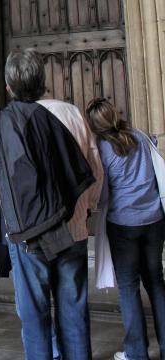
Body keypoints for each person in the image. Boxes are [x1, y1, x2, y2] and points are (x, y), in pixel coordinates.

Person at [0, 48, 98, 360]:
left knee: (34, 313)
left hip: (28, 232)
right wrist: (86, 209)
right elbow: (93, 171)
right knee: (73, 308)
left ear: (8, 86)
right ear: (43, 80)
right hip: (72, 228)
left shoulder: (7, 123)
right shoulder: (70, 113)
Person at [85, 98, 165, 360]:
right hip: (153, 219)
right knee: (155, 282)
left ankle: (136, 352)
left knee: (129, 287)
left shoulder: (103, 150)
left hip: (123, 224)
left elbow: (104, 194)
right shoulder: (139, 137)